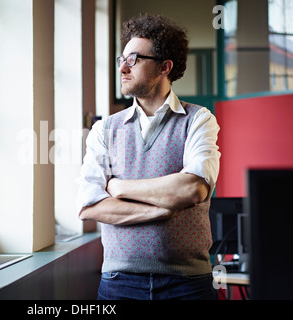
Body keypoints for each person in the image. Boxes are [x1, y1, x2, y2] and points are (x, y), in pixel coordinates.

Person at [77, 13, 221, 300]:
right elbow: (90, 207)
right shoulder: (104, 129)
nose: (122, 68)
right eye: (122, 59)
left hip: (189, 284)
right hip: (119, 283)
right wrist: (161, 210)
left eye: (134, 59)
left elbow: (192, 189)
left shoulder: (198, 120)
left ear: (164, 67)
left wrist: (119, 187)